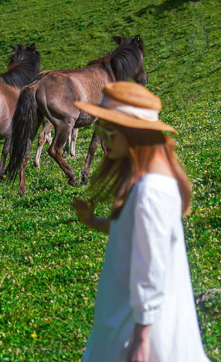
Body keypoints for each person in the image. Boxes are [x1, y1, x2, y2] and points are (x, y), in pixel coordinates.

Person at [70, 82, 209, 362]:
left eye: (111, 131)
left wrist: (141, 341)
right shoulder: (147, 183)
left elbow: (152, 269)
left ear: (135, 134)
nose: (103, 140)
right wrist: (94, 221)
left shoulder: (150, 192)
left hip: (135, 328)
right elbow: (133, 234)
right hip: (126, 318)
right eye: (101, 131)